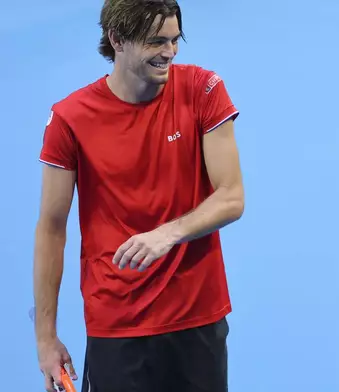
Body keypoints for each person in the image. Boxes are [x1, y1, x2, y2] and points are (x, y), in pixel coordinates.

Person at [33, 1, 244, 391]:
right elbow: (51, 229)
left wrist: (166, 234)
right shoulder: (69, 118)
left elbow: (231, 197)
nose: (169, 52)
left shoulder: (204, 89)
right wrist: (46, 339)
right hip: (117, 327)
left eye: (174, 40)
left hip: (197, 320)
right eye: (155, 42)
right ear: (117, 39)